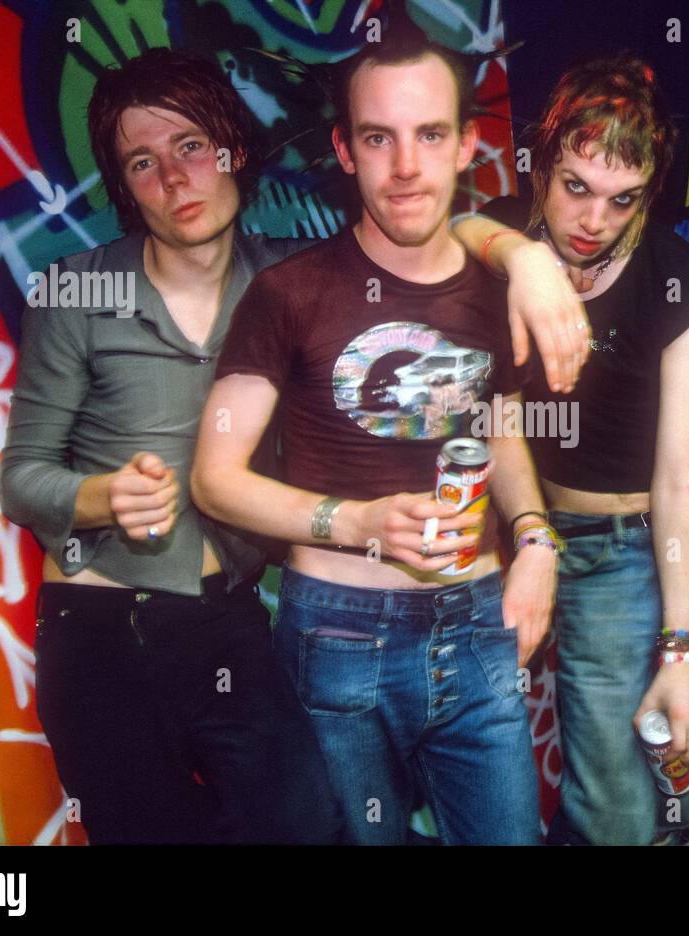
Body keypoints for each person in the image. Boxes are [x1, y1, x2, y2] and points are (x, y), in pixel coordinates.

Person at [191, 25, 558, 845]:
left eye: (430, 134)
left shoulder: (499, 288)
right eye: (377, 137)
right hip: (338, 633)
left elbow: (497, 428)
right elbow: (215, 476)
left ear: (467, 144)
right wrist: (353, 522)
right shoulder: (290, 291)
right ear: (345, 150)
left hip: (479, 626)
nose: (404, 166)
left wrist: (536, 538)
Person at [0, 47, 343, 844]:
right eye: (142, 162)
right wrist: (100, 497)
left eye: (191, 146)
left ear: (233, 149)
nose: (175, 178)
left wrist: (521, 256)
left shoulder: (292, 280)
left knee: (302, 825)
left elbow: (418, 246)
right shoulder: (76, 292)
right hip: (99, 633)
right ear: (125, 188)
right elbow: (22, 479)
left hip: (228, 623)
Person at [451, 54, 689, 845]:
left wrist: (681, 649)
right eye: (575, 187)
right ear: (542, 166)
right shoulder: (506, 251)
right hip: (590, 552)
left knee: (683, 781)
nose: (592, 219)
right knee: (612, 811)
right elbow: (500, 414)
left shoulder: (678, 280)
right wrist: (522, 259)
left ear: (648, 195)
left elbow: (678, 480)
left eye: (621, 200)